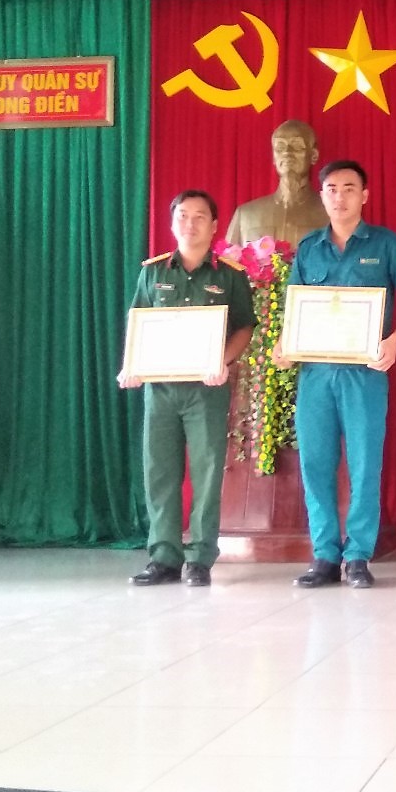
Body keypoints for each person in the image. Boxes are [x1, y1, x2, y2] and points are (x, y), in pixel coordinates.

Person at [273, 160, 396, 588]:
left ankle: (358, 555)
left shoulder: (387, 244)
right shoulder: (309, 248)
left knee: (364, 465)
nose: (340, 197)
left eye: (349, 188)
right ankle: (324, 555)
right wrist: (285, 346)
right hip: (316, 375)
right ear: (322, 196)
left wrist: (393, 341)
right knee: (316, 465)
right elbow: (295, 308)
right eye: (332, 189)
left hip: (365, 373)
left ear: (365, 195)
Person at [120, 190, 255, 587]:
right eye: (182, 215)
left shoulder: (230, 275)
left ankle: (199, 558)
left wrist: (223, 361)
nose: (190, 224)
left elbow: (245, 327)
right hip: (161, 388)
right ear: (172, 222)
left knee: (208, 472)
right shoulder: (153, 272)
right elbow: (138, 322)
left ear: (214, 226)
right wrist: (131, 366)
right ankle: (163, 557)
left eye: (199, 217)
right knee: (160, 472)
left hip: (206, 389)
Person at [226, 120, 327, 245]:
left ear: (313, 155)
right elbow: (228, 256)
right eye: (280, 147)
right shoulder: (246, 215)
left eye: (297, 146)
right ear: (274, 157)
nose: (287, 152)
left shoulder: (330, 214)